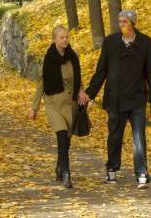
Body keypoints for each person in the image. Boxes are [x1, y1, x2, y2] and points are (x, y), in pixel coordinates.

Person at [80, 10, 151, 189]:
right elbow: (101, 71)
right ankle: (111, 171)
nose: (121, 24)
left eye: (125, 21)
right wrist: (89, 93)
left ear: (133, 23)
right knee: (115, 136)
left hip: (137, 97)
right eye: (119, 21)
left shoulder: (145, 42)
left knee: (139, 137)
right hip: (115, 98)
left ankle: (141, 174)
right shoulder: (110, 42)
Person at [29, 25, 87, 188]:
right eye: (62, 37)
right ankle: (67, 175)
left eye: (67, 37)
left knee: (66, 142)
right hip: (53, 103)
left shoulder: (73, 56)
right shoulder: (48, 59)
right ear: (54, 39)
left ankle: (59, 166)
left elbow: (78, 78)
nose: (65, 40)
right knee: (61, 136)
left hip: (71, 104)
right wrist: (34, 107)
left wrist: (81, 91)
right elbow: (41, 83)